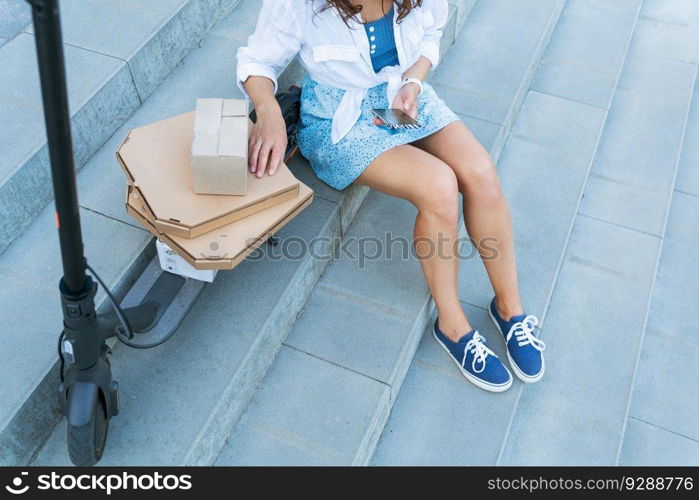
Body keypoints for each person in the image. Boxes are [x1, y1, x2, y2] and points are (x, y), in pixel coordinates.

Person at [236, 0, 545, 392]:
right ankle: (451, 325)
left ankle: (509, 309)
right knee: (439, 185)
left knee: (480, 171)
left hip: (399, 97)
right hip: (338, 118)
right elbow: (255, 62)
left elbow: (431, 34)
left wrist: (414, 81)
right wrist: (268, 113)